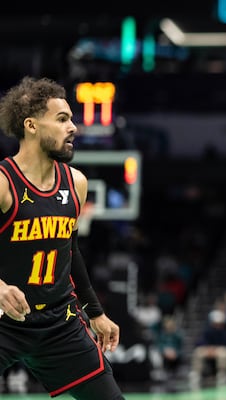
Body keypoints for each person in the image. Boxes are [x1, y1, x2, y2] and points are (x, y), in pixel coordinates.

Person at [0, 77, 124, 399]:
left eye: (71, 118)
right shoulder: (3, 183)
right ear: (31, 125)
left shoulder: (76, 183)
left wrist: (95, 311)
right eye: (62, 119)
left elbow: (71, 251)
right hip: (4, 320)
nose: (74, 128)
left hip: (59, 321)